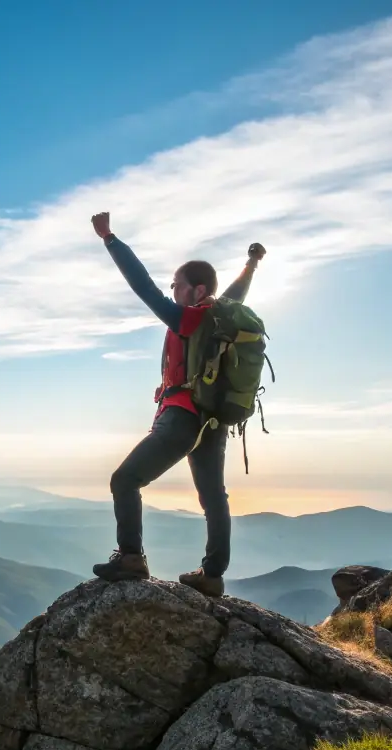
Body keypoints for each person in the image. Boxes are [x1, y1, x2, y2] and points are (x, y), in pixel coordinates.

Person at [88, 211, 265, 597]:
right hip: (213, 421)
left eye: (177, 286)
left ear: (197, 291)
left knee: (125, 480)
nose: (171, 292)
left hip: (182, 417)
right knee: (213, 497)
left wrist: (110, 239)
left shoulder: (187, 319)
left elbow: (142, 286)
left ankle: (131, 557)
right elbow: (237, 292)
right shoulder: (218, 318)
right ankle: (213, 576)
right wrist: (251, 264)